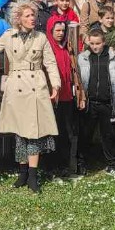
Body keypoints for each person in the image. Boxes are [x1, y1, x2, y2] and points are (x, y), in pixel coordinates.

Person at [0, 2, 60, 193]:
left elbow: (50, 63)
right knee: (20, 132)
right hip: (16, 87)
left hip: (36, 86)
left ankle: (33, 176)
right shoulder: (9, 35)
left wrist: (56, 85)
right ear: (18, 18)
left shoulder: (41, 37)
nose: (32, 18)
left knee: (34, 133)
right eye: (27, 16)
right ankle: (22, 173)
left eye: (33, 15)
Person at [77, 29, 115, 176]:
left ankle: (113, 165)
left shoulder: (114, 59)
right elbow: (78, 80)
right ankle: (82, 164)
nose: (95, 46)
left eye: (98, 43)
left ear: (104, 42)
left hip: (108, 103)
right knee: (85, 135)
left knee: (109, 136)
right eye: (92, 43)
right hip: (89, 103)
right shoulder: (83, 58)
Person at [48, 20, 82, 180]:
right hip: (53, 97)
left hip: (68, 96)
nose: (60, 33)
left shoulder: (68, 48)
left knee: (68, 133)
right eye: (57, 30)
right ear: (51, 31)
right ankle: (53, 168)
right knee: (54, 133)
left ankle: (66, 167)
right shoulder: (48, 49)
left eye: (63, 30)